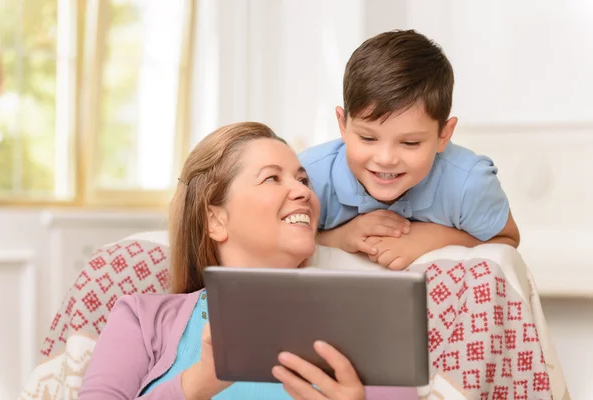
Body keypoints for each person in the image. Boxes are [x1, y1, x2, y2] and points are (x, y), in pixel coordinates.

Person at [78, 122, 416, 400]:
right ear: (215, 220)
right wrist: (196, 385)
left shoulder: (365, 326)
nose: (303, 193)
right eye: (272, 178)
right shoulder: (141, 320)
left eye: (302, 180)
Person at [298, 30, 520, 270]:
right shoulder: (309, 176)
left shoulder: (469, 183)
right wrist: (338, 238)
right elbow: (271, 243)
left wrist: (433, 238)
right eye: (368, 138)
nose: (385, 159)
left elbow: (507, 241)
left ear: (443, 135)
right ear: (343, 125)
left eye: (410, 143)